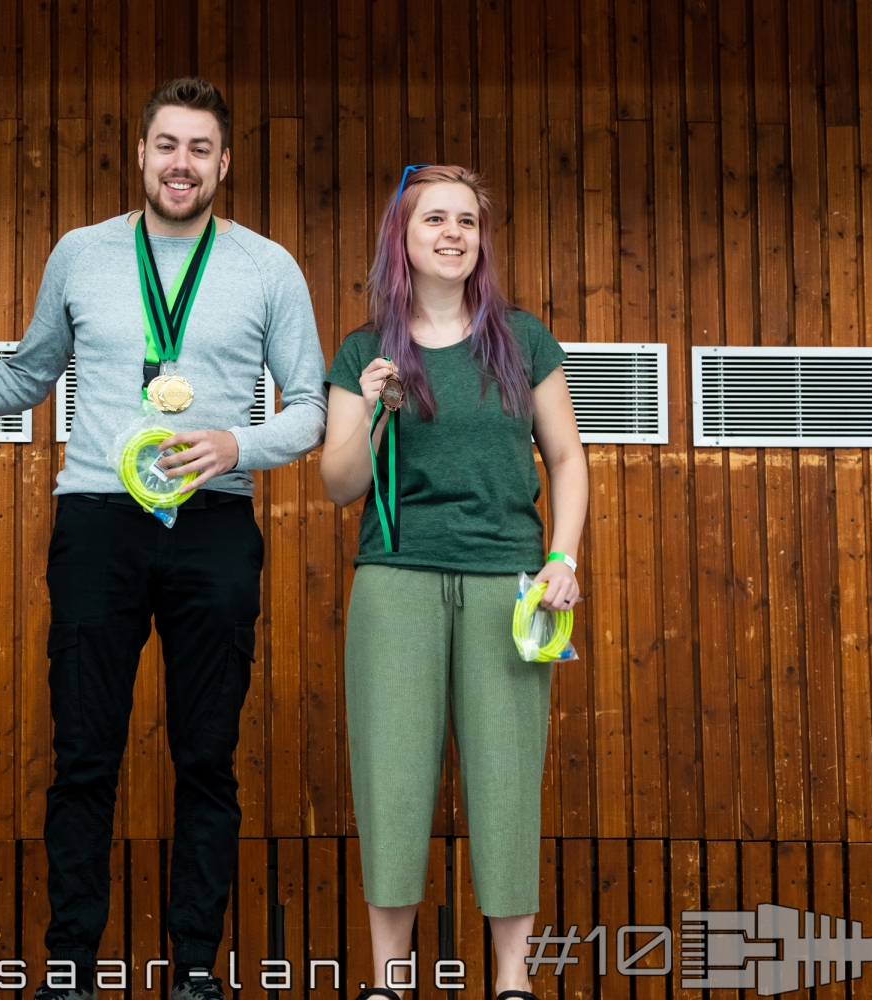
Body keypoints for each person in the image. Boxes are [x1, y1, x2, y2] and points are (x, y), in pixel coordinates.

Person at [0, 77, 327, 1000]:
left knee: (206, 759)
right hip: (98, 524)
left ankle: (195, 972)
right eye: (167, 145)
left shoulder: (268, 267)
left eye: (200, 149)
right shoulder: (80, 253)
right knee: (83, 757)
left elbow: (310, 408)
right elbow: (25, 376)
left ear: (225, 163)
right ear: (140, 154)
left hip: (214, 524)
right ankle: (69, 969)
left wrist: (235, 446)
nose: (182, 164)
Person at [320, 165, 587, 1000]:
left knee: (506, 778)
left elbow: (567, 458)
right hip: (395, 580)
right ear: (401, 238)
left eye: (466, 220)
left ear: (481, 238)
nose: (452, 233)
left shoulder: (523, 340)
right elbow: (338, 483)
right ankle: (389, 980)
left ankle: (512, 980)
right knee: (393, 778)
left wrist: (563, 558)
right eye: (434, 218)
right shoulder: (364, 351)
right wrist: (372, 410)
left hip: (508, 581)